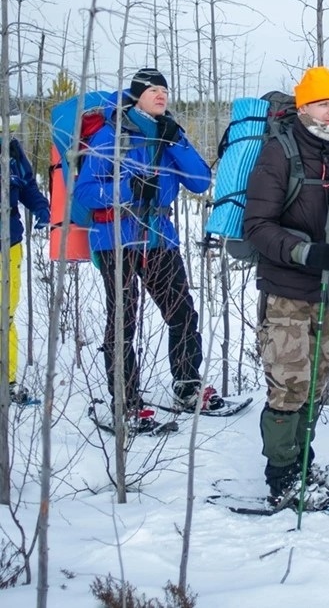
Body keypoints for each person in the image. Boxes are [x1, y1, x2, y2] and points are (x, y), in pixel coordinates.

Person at [243, 66, 329, 508]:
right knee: (289, 384)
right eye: (323, 102)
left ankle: (303, 462)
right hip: (286, 289)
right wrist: (303, 252)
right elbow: (257, 226)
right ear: (303, 108)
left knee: (317, 382)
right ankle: (281, 477)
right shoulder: (278, 154)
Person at [75, 68, 225, 427]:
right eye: (153, 90)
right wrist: (127, 191)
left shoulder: (169, 135)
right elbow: (83, 193)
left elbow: (200, 180)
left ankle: (188, 385)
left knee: (182, 312)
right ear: (137, 95)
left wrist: (177, 142)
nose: (161, 95)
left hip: (160, 236)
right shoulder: (111, 136)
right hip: (116, 237)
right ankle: (126, 401)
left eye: (164, 90)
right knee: (124, 320)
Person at [2, 103, 51, 404]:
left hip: (10, 245)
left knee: (5, 313)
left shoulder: (12, 150)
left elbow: (28, 186)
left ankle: (6, 381)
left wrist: (42, 209)